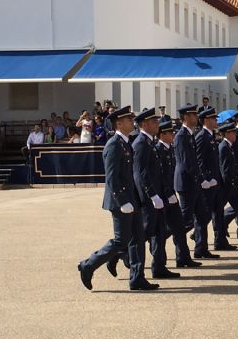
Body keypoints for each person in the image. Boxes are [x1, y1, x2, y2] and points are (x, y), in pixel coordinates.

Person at [77, 106, 158, 291]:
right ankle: (88, 265)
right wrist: (122, 201)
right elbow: (112, 177)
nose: (132, 122)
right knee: (121, 240)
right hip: (120, 201)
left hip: (132, 200)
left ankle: (137, 278)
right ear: (119, 123)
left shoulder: (126, 143)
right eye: (129, 119)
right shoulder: (113, 145)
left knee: (137, 239)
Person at [132, 107, 180, 279]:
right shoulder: (140, 144)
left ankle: (159, 267)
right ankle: (120, 255)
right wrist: (151, 195)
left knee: (159, 232)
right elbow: (141, 174)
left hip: (158, 196)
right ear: (144, 124)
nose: (157, 124)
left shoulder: (149, 142)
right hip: (148, 199)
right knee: (144, 233)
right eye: (154, 122)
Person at [174, 104, 219, 259]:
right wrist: (203, 179)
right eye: (193, 115)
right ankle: (159, 237)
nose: (196, 118)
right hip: (187, 183)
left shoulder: (190, 135)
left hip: (195, 183)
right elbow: (189, 163)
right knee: (184, 222)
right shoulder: (181, 136)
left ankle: (201, 248)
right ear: (185, 117)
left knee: (201, 216)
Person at [155, 120, 201, 268]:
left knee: (180, 227)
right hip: (162, 196)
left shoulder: (168, 149)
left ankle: (183, 257)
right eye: (170, 132)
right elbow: (160, 176)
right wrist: (168, 193)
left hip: (170, 193)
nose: (173, 134)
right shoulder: (158, 150)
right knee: (153, 230)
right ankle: (124, 252)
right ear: (162, 135)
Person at [195, 107, 236, 253]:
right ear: (206, 120)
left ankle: (220, 241)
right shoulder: (201, 136)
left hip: (216, 182)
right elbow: (199, 161)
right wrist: (205, 179)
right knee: (203, 215)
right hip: (208, 184)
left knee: (218, 213)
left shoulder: (210, 135)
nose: (216, 121)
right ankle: (200, 245)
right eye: (213, 118)